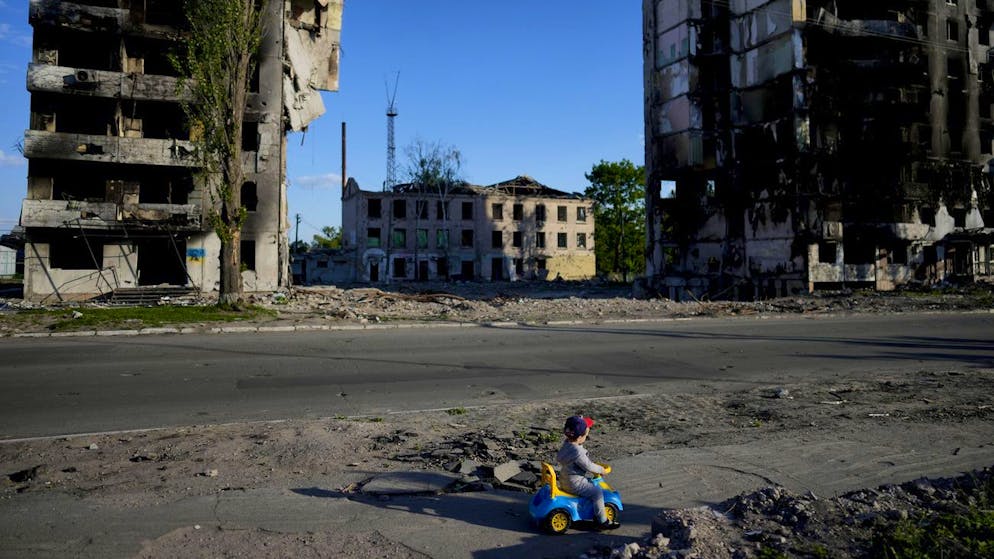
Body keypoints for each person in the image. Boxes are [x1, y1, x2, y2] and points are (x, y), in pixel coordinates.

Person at [556, 415, 620, 530]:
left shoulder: (567, 444)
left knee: (591, 483)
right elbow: (589, 466)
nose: (586, 437)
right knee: (597, 492)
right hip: (575, 483)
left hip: (565, 478)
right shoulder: (578, 453)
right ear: (580, 437)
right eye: (586, 435)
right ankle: (602, 521)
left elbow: (561, 458)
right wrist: (602, 470)